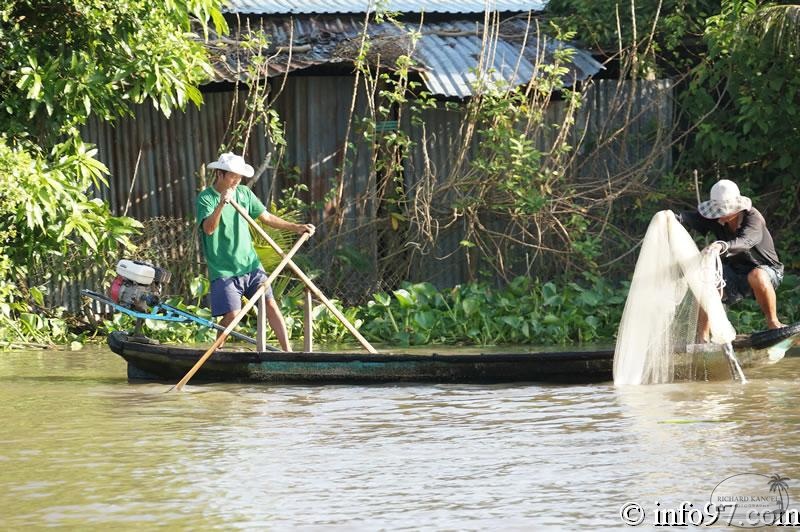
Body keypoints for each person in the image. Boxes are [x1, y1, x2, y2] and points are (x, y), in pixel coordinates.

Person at [196, 152, 315, 351]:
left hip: (250, 265)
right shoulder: (206, 198)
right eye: (233, 175)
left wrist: (296, 227)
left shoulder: (244, 193)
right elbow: (209, 229)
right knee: (233, 314)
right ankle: (216, 352)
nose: (237, 180)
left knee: (270, 306)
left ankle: (288, 353)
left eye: (239, 176)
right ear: (219, 174)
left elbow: (267, 218)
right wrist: (221, 204)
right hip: (224, 270)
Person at [677, 179, 785, 340]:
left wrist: (722, 246)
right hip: (734, 272)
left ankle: (773, 322)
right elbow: (690, 218)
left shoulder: (753, 218)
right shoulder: (716, 219)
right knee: (707, 282)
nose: (722, 214)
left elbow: (746, 241)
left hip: (766, 271)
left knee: (757, 275)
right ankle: (703, 339)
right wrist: (671, 217)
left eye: (726, 209)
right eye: (718, 210)